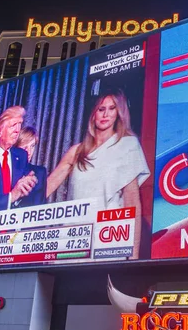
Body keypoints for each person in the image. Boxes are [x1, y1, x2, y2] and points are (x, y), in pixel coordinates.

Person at [46, 89, 150, 258]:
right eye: (101, 109)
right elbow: (47, 187)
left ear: (119, 112)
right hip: (73, 240)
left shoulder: (127, 146)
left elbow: (132, 203)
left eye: (112, 108)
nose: (105, 115)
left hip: (108, 240)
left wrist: (133, 255)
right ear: (94, 113)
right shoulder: (77, 151)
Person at [15, 126, 47, 206]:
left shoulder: (39, 173)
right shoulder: (2, 170)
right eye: (25, 147)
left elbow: (40, 207)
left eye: (32, 146)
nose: (29, 151)